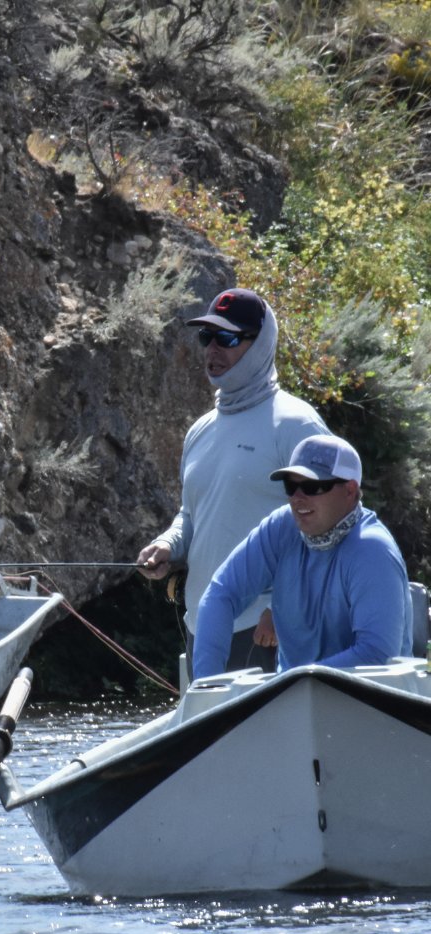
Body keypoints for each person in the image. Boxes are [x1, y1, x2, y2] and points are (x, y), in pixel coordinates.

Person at [137, 287, 329, 672]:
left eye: (227, 338)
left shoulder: (297, 424)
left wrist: (284, 610)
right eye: (207, 337)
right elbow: (190, 517)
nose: (212, 349)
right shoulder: (199, 431)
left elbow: (331, 525)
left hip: (268, 632)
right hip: (203, 630)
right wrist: (167, 546)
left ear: (260, 345)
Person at [193, 434, 412, 678]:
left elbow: (376, 655)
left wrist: (293, 684)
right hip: (292, 697)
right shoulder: (281, 527)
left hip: (367, 703)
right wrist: (206, 687)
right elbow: (221, 595)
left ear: (350, 491)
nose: (298, 497)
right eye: (291, 486)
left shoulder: (373, 550)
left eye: (312, 486)